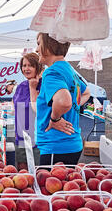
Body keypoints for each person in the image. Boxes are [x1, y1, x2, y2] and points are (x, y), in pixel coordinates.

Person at [33, 33, 91, 165]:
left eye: (38, 44)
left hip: (56, 145)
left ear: (49, 46)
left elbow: (63, 101)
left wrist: (55, 118)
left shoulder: (51, 72)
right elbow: (86, 92)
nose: (36, 50)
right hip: (71, 143)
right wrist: (71, 107)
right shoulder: (68, 69)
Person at [12, 53, 44, 170]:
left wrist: (32, 87)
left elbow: (38, 109)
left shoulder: (43, 85)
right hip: (20, 136)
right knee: (22, 170)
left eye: (30, 65)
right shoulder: (21, 86)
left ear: (38, 67)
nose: (26, 69)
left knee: (37, 171)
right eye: (24, 65)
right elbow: (15, 105)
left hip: (36, 138)